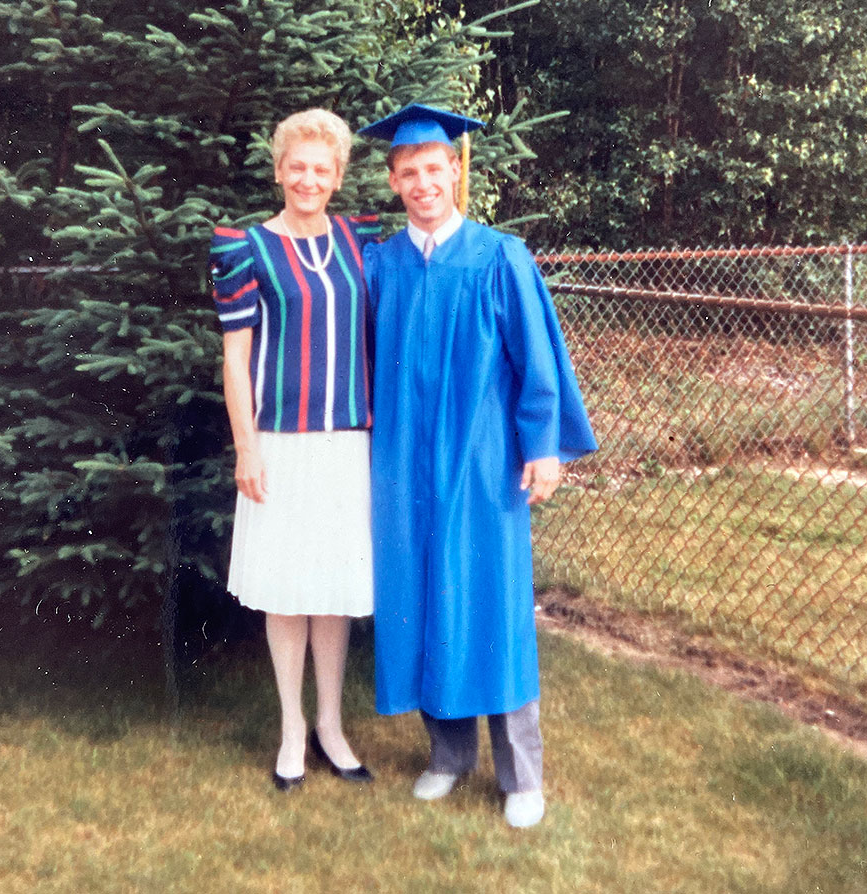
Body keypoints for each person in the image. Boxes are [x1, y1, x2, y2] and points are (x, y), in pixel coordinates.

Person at [358, 104, 597, 827]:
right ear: (394, 182)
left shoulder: (501, 256)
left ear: (456, 172)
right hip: (401, 464)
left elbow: (537, 360)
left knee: (490, 604)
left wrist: (543, 445)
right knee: (421, 598)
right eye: (410, 173)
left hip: (483, 461)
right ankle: (448, 755)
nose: (424, 182)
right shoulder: (381, 266)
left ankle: (522, 775)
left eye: (436, 169)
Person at [209, 108, 379, 791]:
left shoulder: (361, 240)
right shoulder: (246, 248)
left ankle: (331, 727)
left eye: (322, 168)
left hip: (346, 444)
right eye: (297, 166)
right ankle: (289, 731)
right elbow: (235, 357)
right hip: (278, 442)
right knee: (286, 591)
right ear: (279, 170)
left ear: (337, 176)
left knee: (332, 591)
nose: (308, 178)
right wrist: (245, 446)